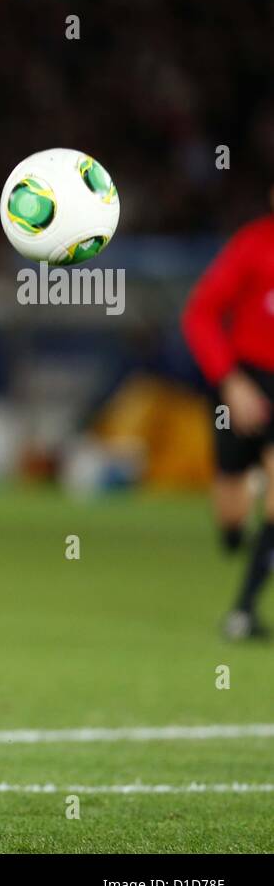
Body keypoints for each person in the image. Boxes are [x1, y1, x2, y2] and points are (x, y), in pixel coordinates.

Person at [181, 183, 274, 640]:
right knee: (232, 517)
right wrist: (231, 381)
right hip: (245, 380)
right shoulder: (253, 246)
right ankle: (239, 526)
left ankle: (243, 610)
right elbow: (199, 314)